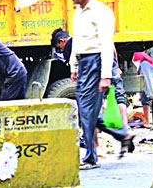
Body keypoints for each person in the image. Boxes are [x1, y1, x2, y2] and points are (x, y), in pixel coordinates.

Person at [52, 29, 135, 157]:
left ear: (62, 41)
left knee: (88, 110)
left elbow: (78, 59)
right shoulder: (89, 33)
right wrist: (114, 68)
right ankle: (124, 132)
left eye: (60, 48)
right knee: (114, 101)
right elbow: (110, 46)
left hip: (94, 71)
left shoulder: (72, 43)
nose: (62, 51)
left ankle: (95, 148)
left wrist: (77, 71)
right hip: (106, 68)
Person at [68, 0, 115, 170]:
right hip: (84, 62)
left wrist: (106, 76)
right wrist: (74, 66)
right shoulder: (78, 13)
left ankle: (90, 156)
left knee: (87, 109)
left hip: (96, 61)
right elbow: (76, 42)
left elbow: (106, 45)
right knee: (85, 109)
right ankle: (122, 135)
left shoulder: (101, 12)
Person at [132, 51, 153, 128]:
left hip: (145, 63)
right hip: (145, 64)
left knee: (150, 94)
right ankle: (146, 121)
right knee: (144, 94)